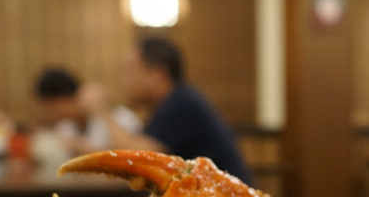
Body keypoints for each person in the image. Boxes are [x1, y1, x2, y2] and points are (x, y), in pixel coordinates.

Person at [89, 37, 253, 185]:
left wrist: (103, 111)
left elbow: (139, 158)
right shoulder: (172, 102)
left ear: (157, 74)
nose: (124, 81)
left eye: (129, 71)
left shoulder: (182, 103)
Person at [33, 67, 141, 156]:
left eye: (47, 107)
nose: (44, 113)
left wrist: (101, 110)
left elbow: (130, 157)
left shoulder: (121, 118)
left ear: (60, 102)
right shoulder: (65, 127)